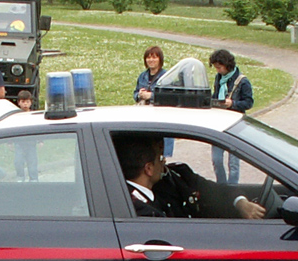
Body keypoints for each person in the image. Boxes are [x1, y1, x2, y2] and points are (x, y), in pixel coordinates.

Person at [114, 134, 265, 219]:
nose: (164, 159)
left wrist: (241, 203)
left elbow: (214, 191)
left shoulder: (178, 174)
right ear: (148, 168)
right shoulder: (136, 204)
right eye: (159, 155)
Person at [209, 49, 254, 183]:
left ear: (227, 65)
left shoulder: (243, 81)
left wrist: (233, 104)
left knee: (233, 163)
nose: (218, 70)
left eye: (219, 67)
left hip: (234, 123)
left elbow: (248, 102)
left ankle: (232, 188)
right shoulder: (219, 78)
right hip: (219, 122)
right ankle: (222, 185)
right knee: (216, 160)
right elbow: (215, 95)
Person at [13, 90, 38, 181]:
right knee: (18, 162)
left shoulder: (33, 115)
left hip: (31, 143)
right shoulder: (16, 116)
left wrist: (40, 140)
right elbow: (12, 129)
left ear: (31, 103)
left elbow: (37, 129)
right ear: (19, 102)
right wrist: (10, 142)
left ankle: (34, 179)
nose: (25, 104)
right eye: (23, 102)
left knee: (32, 162)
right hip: (19, 143)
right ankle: (20, 177)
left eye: (27, 102)